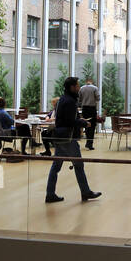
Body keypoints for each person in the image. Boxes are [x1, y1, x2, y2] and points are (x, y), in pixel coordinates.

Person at [45, 77, 101, 205]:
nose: (78, 88)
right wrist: (84, 122)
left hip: (59, 137)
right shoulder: (70, 101)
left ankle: (50, 193)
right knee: (78, 165)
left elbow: (63, 119)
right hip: (68, 138)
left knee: (56, 166)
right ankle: (85, 192)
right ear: (72, 87)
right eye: (77, 86)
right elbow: (70, 121)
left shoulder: (62, 100)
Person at [78, 75, 99, 149]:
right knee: (92, 126)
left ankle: (87, 141)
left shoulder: (81, 88)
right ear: (91, 81)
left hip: (85, 109)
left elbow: (79, 99)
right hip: (92, 108)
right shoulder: (95, 88)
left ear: (86, 81)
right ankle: (89, 144)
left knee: (86, 124)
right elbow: (98, 98)